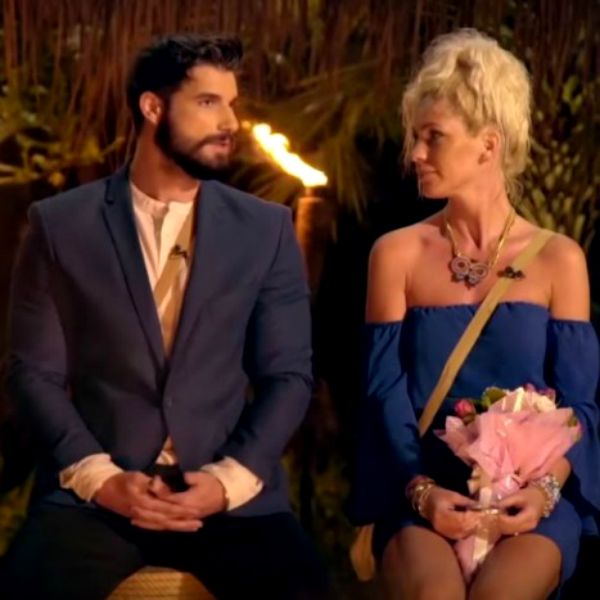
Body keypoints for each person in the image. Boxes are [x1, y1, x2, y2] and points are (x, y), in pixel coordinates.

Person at [1, 33, 329, 600]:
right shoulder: (60, 225)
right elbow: (33, 373)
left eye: (231, 103)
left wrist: (227, 481)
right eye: (208, 102)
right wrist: (101, 479)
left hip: (228, 496)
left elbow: (288, 376)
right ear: (153, 107)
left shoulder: (265, 229)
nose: (229, 121)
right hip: (96, 496)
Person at [349, 29, 600, 600]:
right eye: (415, 137)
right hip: (419, 488)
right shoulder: (396, 254)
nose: (415, 153)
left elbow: (579, 407)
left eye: (433, 137)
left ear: (488, 146)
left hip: (530, 498)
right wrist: (420, 491)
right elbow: (383, 393)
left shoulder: (560, 260)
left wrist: (543, 493)